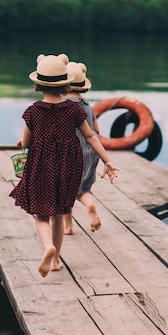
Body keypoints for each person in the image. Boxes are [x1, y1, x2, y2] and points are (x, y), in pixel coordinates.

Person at [9, 53, 119, 278]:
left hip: (41, 166)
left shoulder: (33, 111)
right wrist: (107, 160)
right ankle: (57, 258)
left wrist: (23, 141)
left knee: (41, 216)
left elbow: (27, 142)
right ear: (66, 84)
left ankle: (47, 246)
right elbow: (91, 137)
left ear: (38, 84)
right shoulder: (75, 110)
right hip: (69, 167)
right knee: (59, 213)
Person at [63, 61, 103, 235]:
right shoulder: (88, 106)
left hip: (70, 154)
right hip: (90, 153)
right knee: (82, 189)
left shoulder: (63, 106)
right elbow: (96, 131)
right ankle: (89, 204)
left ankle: (68, 226)